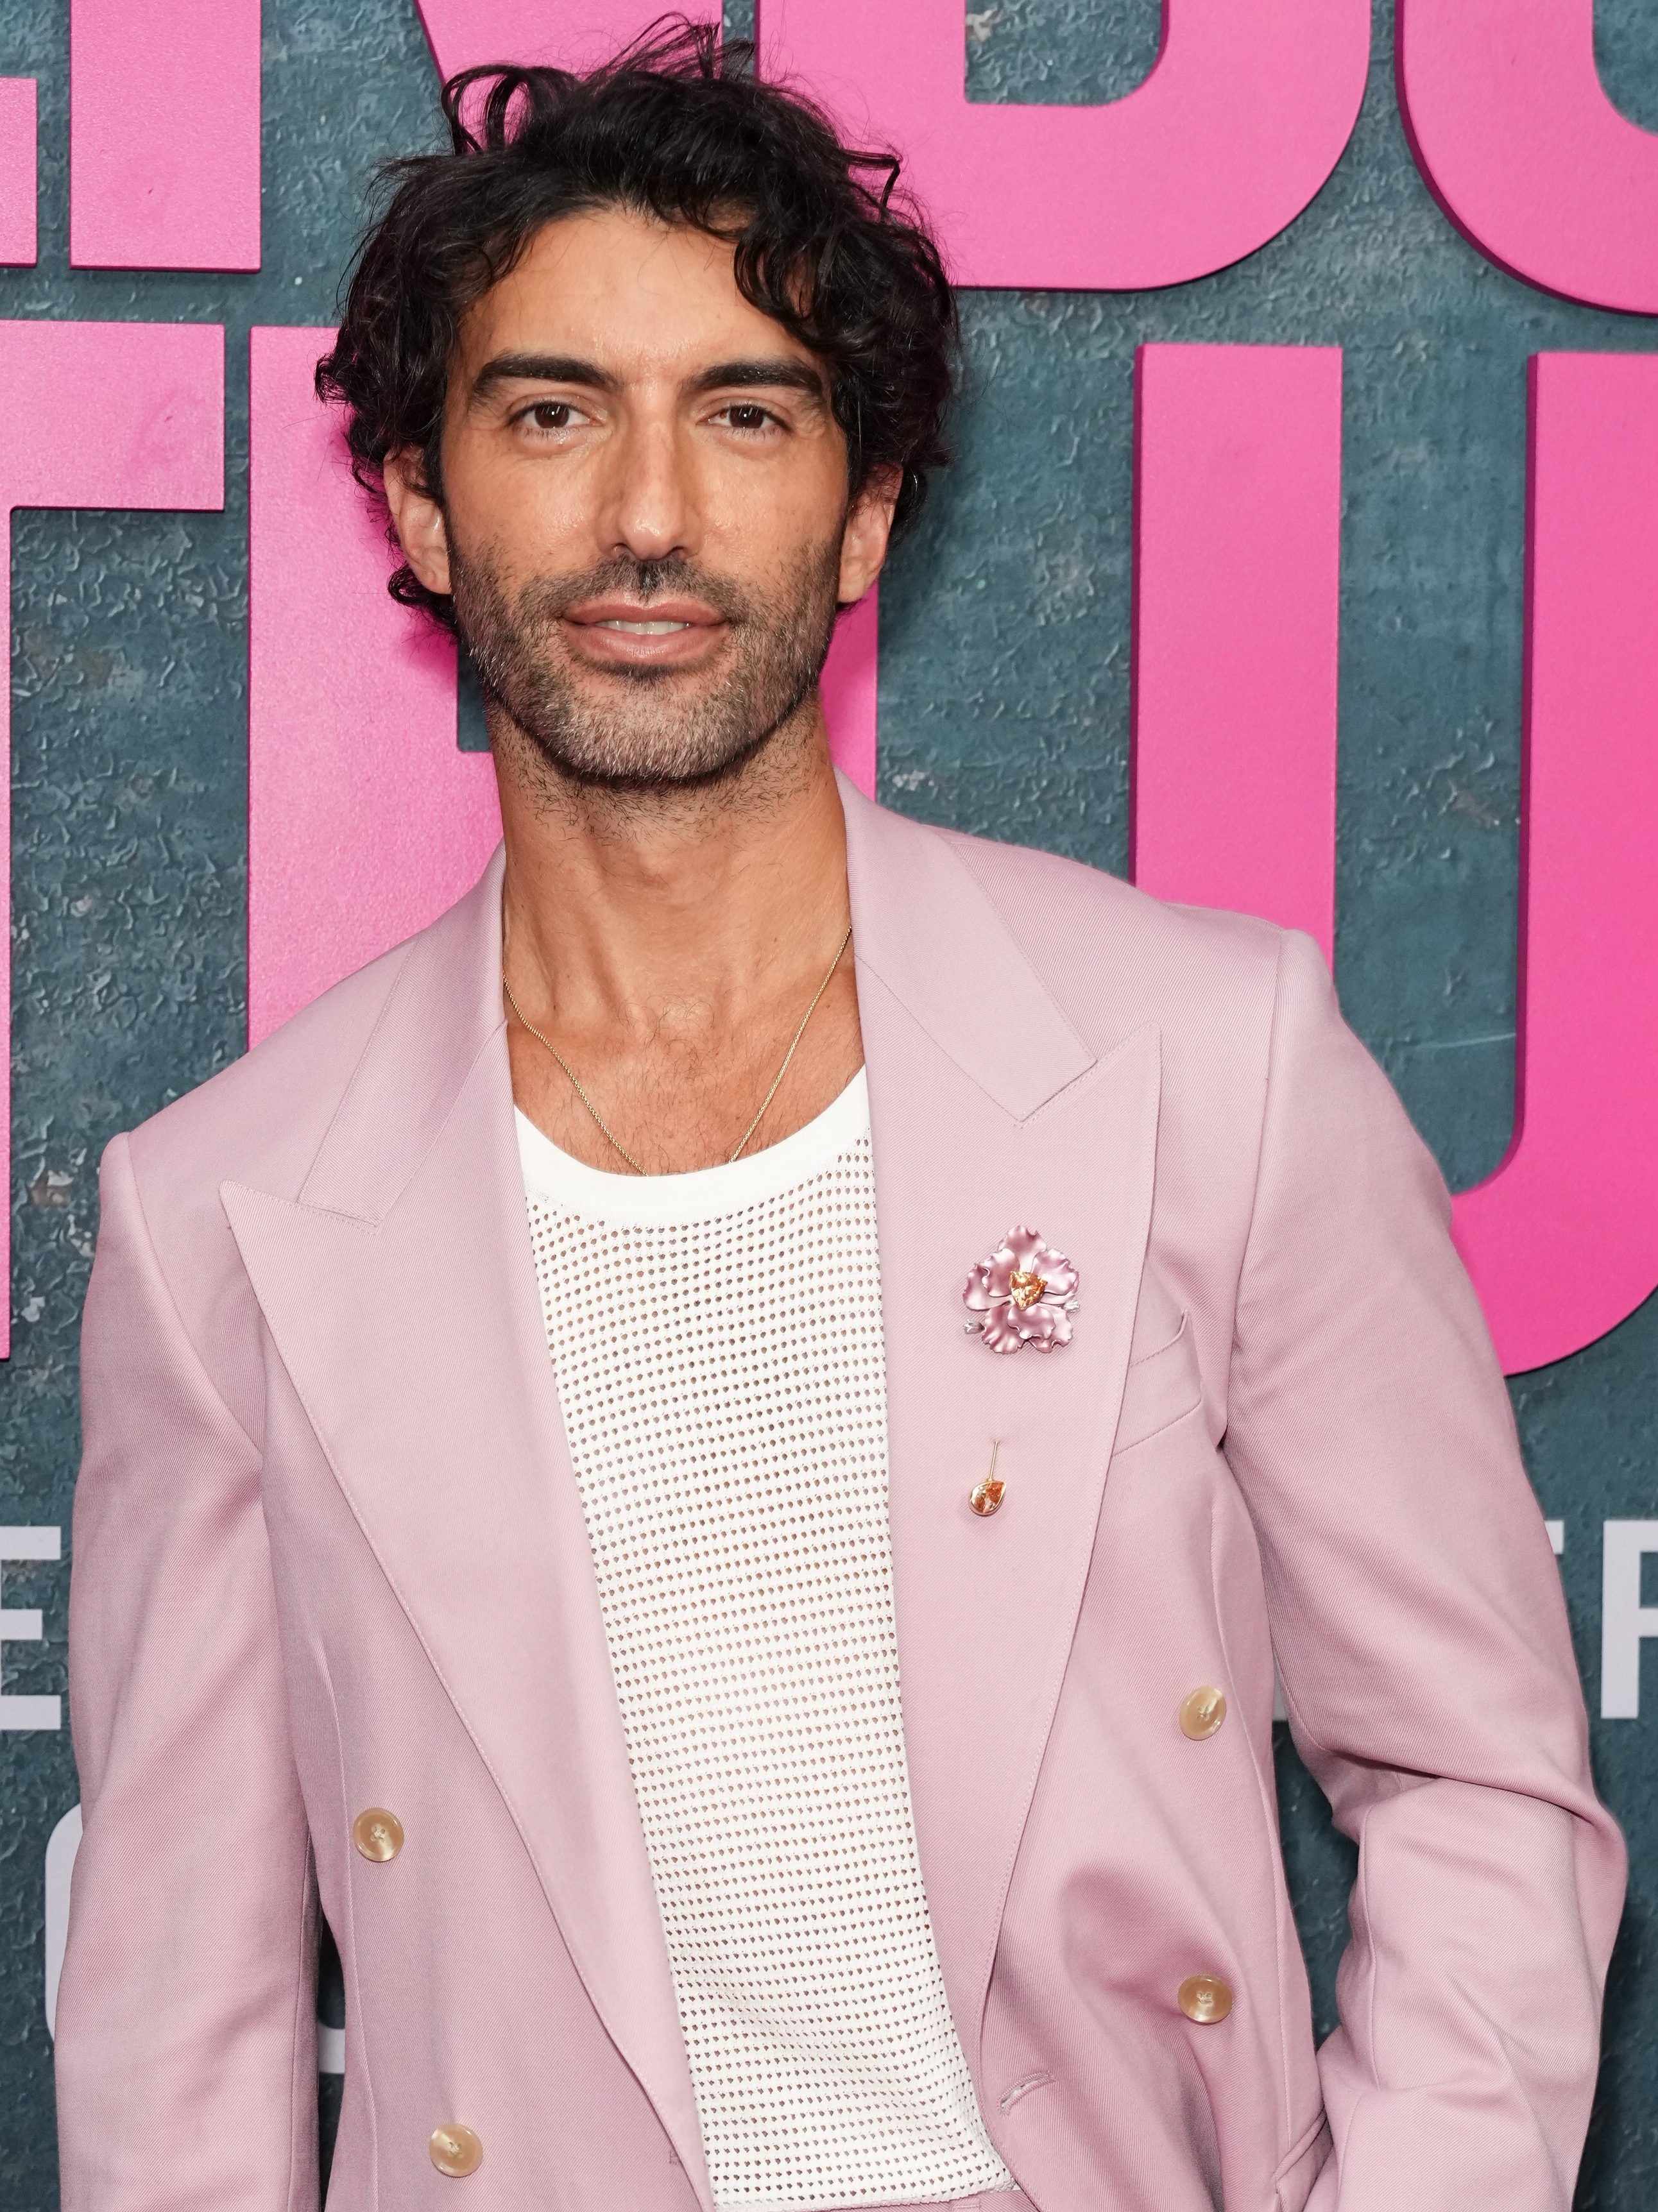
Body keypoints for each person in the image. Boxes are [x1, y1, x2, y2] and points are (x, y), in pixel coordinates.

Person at [55, 24, 1623, 2212]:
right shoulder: (223, 1213)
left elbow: (1480, 1781)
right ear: (417, 496)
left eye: (749, 414)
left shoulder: (1207, 1063)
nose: (650, 515)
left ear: (866, 504)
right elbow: (176, 2022)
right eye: (548, 413)